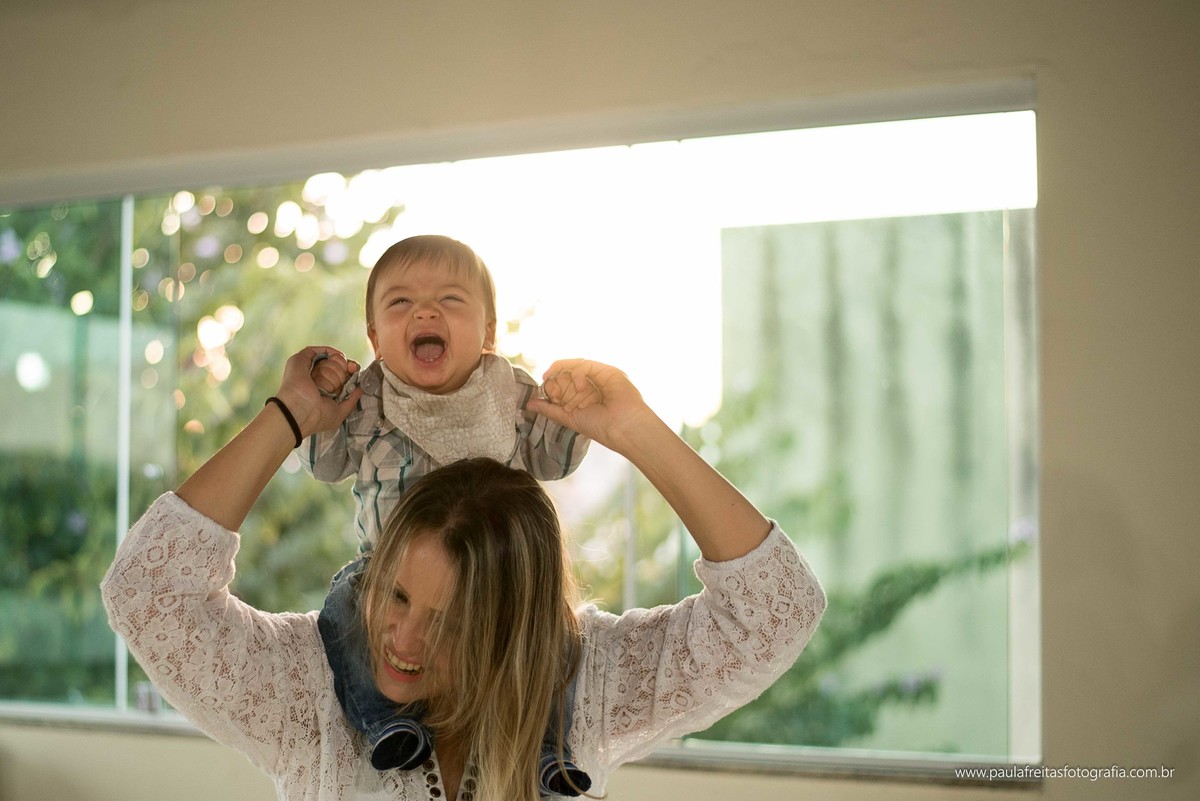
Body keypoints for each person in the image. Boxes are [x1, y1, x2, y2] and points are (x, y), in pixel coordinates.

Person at [102, 346, 827, 801]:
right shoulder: (305, 692)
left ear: (514, 625)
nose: (405, 639)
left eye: (451, 621)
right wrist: (289, 415)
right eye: (395, 593)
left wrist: (635, 429)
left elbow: (776, 608)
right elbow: (146, 592)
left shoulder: (592, 684)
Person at [301, 235, 597, 792]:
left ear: (488, 332)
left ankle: (548, 749)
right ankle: (387, 725)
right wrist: (315, 405)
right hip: (386, 577)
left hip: (493, 578)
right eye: (400, 303)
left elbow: (551, 458)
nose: (426, 311)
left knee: (554, 629)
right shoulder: (367, 399)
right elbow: (326, 461)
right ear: (374, 338)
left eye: (451, 300)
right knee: (342, 607)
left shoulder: (505, 392)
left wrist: (571, 411)